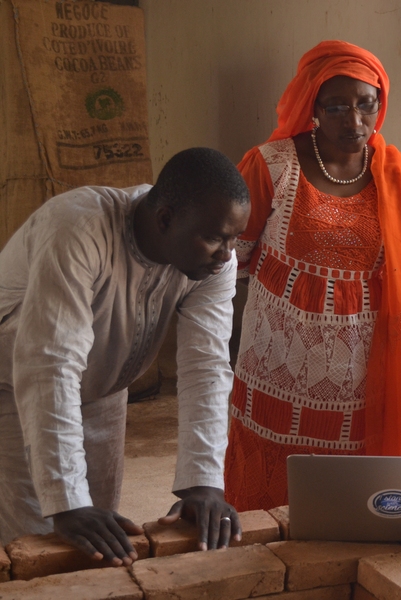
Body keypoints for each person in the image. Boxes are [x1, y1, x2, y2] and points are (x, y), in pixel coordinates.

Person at [0, 147, 250, 564]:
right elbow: (51, 365)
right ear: (166, 218)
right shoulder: (78, 228)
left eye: (234, 238)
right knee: (37, 540)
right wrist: (65, 501)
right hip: (13, 385)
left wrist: (202, 483)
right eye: (214, 237)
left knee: (100, 537)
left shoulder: (214, 264)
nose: (227, 255)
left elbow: (205, 367)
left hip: (104, 388)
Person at [224, 40, 401, 511]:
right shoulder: (270, 165)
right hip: (273, 374)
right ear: (312, 106)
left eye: (366, 105)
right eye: (337, 106)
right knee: (267, 505)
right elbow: (224, 265)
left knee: (347, 508)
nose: (354, 121)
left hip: (361, 385)